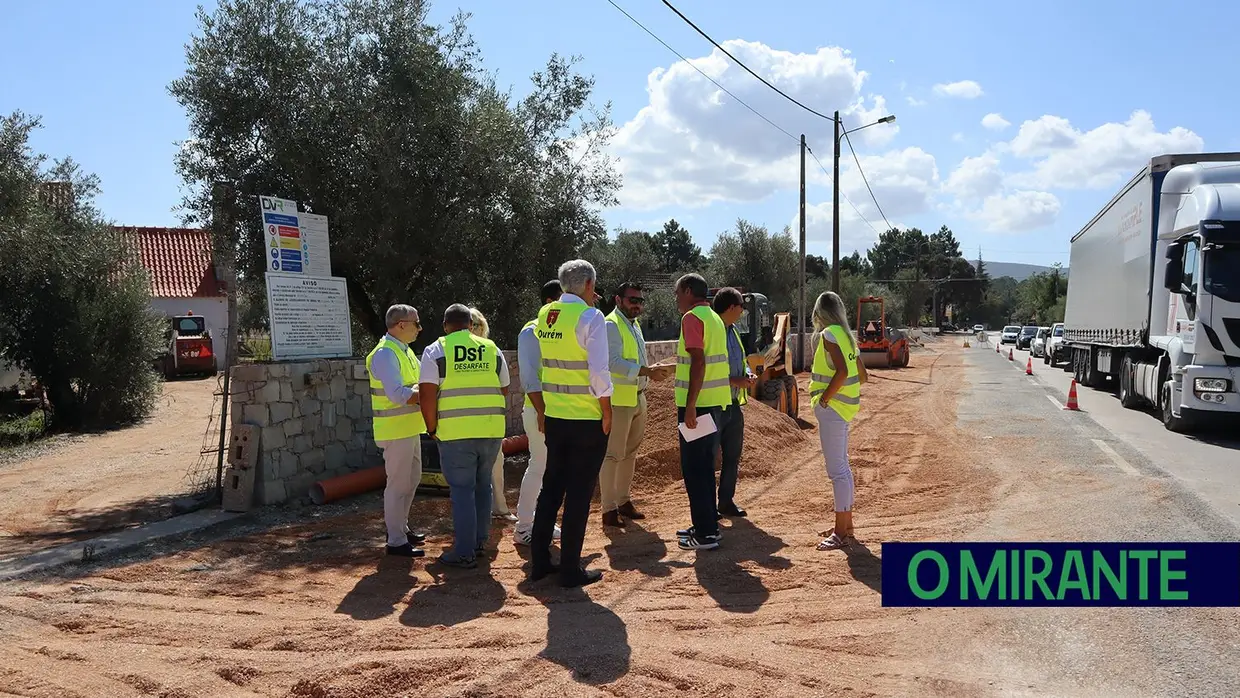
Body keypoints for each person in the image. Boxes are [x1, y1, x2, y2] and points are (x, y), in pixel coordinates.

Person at [529, 259, 613, 587]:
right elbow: (598, 372)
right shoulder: (591, 317)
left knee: (551, 489)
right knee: (578, 494)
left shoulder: (545, 315)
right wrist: (607, 411)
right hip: (586, 418)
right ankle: (569, 570)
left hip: (556, 417)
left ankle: (540, 562)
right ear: (589, 285)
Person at [419, 304, 511, 569]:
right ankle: (480, 541)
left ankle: (464, 552)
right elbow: (505, 388)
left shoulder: (436, 350)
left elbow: (426, 394)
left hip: (455, 433)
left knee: (461, 491)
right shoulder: (491, 348)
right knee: (484, 486)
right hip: (491, 430)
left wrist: (431, 427)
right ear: (471, 325)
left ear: (446, 326)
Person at [599, 282, 671, 528]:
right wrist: (646, 371)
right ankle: (608, 510)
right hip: (619, 400)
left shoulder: (633, 324)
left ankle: (623, 501)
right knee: (612, 456)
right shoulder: (611, 324)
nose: (637, 304)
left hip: (638, 396)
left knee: (630, 454)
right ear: (618, 300)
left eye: (640, 300)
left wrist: (647, 375)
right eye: (632, 300)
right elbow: (612, 362)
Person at [672, 273, 732, 551]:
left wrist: (691, 406)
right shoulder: (715, 318)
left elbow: (698, 362)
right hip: (716, 403)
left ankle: (706, 533)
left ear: (687, 290)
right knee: (704, 467)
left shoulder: (692, 318)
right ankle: (707, 525)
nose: (676, 299)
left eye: (677, 293)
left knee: (694, 469)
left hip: (699, 405)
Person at [365, 304, 429, 557]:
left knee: (411, 480)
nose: (419, 328)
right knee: (397, 484)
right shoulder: (385, 354)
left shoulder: (404, 351)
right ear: (401, 324)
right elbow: (398, 395)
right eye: (416, 323)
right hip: (395, 429)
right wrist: (428, 395)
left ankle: (401, 528)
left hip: (409, 428)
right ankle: (395, 540)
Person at [808, 291, 869, 551]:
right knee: (843, 469)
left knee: (838, 472)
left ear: (820, 312)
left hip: (833, 409)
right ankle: (847, 526)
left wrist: (824, 400)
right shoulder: (846, 336)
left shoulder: (829, 335)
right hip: (845, 409)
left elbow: (844, 372)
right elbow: (862, 375)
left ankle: (840, 532)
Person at [513, 279, 564, 546]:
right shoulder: (531, 332)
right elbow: (530, 378)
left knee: (550, 470)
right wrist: (543, 412)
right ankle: (523, 526)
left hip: (557, 412)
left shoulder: (559, 331)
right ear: (549, 303)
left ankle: (541, 520)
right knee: (539, 466)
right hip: (540, 412)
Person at [468, 306, 518, 523]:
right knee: (494, 466)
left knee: (469, 470)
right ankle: (498, 508)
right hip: (489, 422)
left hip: (460, 424)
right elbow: (505, 386)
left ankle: (476, 512)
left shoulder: (445, 351)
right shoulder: (492, 350)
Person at [712, 287, 755, 519]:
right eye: (741, 306)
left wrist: (746, 373)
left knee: (732, 456)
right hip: (713, 404)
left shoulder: (734, 330)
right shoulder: (712, 330)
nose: (742, 311)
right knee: (710, 458)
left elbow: (741, 359)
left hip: (732, 404)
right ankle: (708, 506)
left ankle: (725, 502)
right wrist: (735, 379)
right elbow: (707, 369)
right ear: (731, 307)